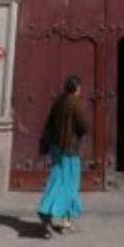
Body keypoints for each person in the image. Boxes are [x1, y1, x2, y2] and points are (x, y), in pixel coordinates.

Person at [37, 75, 88, 237]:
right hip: (69, 149)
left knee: (59, 178)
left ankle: (65, 221)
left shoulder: (58, 101)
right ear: (77, 88)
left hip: (55, 147)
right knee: (69, 183)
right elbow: (84, 125)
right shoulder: (75, 103)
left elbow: (49, 123)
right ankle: (46, 211)